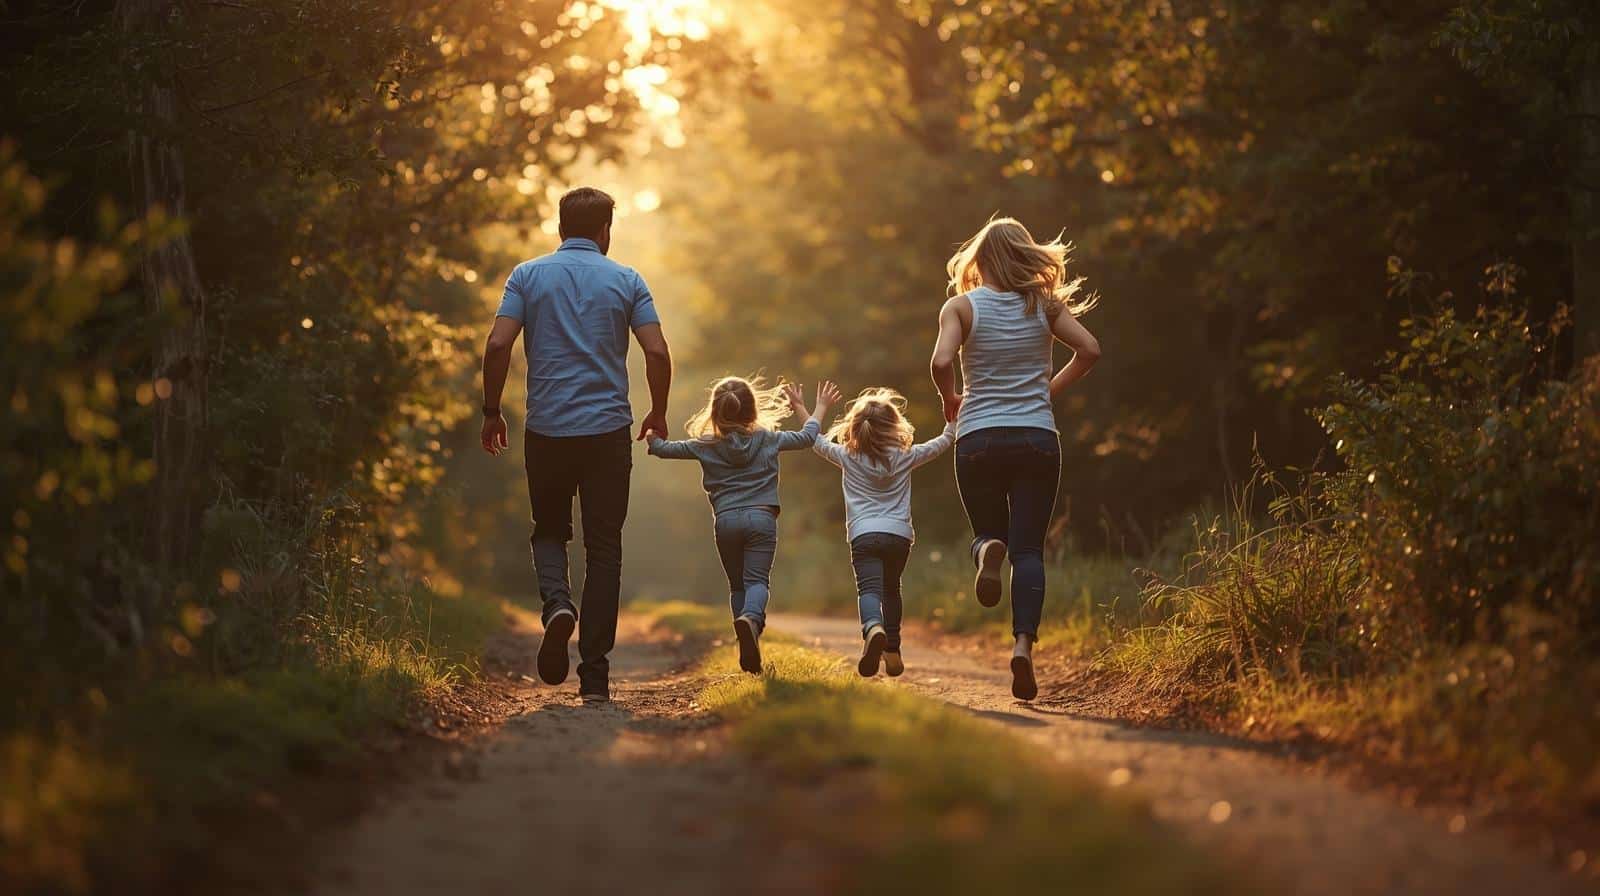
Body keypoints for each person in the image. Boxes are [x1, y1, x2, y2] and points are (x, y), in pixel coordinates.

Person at [479, 186, 672, 704]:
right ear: (605, 230)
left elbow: (498, 343)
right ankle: (594, 677)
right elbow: (656, 350)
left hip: (547, 430)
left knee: (548, 530)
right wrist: (658, 409)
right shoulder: (627, 279)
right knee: (604, 548)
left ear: (561, 227)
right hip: (608, 432)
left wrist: (491, 410)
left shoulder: (526, 275)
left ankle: (558, 606)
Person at [929, 217, 1101, 700]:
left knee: (990, 533)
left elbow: (942, 362)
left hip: (979, 437)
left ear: (979, 261)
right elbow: (1089, 349)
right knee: (1028, 551)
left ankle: (985, 550)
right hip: (1037, 438)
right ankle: (1023, 646)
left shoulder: (960, 307)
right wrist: (1048, 390)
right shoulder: (1043, 306)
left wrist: (950, 400)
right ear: (1025, 256)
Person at [645, 377, 838, 673]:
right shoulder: (770, 439)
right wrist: (818, 407)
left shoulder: (704, 445)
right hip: (761, 517)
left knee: (738, 586)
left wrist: (652, 434)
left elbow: (662, 448)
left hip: (726, 521)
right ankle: (751, 620)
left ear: (715, 411)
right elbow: (807, 437)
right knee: (757, 582)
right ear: (751, 410)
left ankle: (746, 641)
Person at [812, 388, 955, 677]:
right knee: (891, 590)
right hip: (899, 536)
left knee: (869, 590)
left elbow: (814, 442)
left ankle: (872, 628)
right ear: (894, 425)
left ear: (855, 426)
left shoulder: (847, 456)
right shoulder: (906, 455)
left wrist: (813, 408)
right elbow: (943, 442)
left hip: (864, 534)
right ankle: (893, 650)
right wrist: (953, 418)